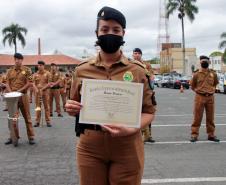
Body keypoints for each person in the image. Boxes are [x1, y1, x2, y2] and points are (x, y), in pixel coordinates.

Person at [65, 6, 156, 185]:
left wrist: (132, 128)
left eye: (116, 30)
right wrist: (70, 108)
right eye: (104, 29)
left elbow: (149, 111)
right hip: (90, 146)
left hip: (127, 144)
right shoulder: (81, 70)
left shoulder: (137, 71)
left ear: (123, 33)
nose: (110, 34)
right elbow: (73, 104)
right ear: (96, 33)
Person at [5, 53, 35, 145]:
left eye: (19, 59)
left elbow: (29, 82)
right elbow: (7, 83)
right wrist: (11, 92)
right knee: (12, 118)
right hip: (12, 97)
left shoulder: (27, 70)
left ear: (22, 60)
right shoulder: (10, 71)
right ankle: (13, 137)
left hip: (23, 96)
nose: (17, 60)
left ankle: (31, 137)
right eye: (16, 59)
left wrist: (19, 91)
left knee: (27, 117)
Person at [190, 55, 220, 142]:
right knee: (197, 117)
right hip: (200, 97)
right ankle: (194, 135)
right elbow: (192, 86)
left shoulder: (213, 74)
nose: (204, 63)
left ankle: (211, 135)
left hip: (210, 97)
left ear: (209, 63)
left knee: (210, 117)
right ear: (200, 62)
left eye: (206, 62)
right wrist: (199, 91)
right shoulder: (196, 74)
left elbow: (215, 84)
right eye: (203, 61)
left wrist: (211, 90)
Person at [133, 48, 156, 143]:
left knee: (147, 112)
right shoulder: (130, 64)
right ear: (132, 55)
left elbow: (151, 76)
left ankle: (148, 135)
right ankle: (137, 136)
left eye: (138, 53)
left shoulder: (147, 65)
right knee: (135, 115)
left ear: (141, 55)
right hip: (134, 92)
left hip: (146, 91)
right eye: (135, 53)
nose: (136, 55)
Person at [33, 61, 52, 127]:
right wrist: (36, 89)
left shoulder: (48, 73)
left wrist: (42, 89)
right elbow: (33, 83)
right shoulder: (35, 74)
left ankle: (48, 121)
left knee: (46, 107)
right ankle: (37, 121)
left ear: (44, 66)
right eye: (38, 65)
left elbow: (49, 83)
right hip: (37, 93)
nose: (39, 66)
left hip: (45, 92)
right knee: (38, 107)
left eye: (41, 65)